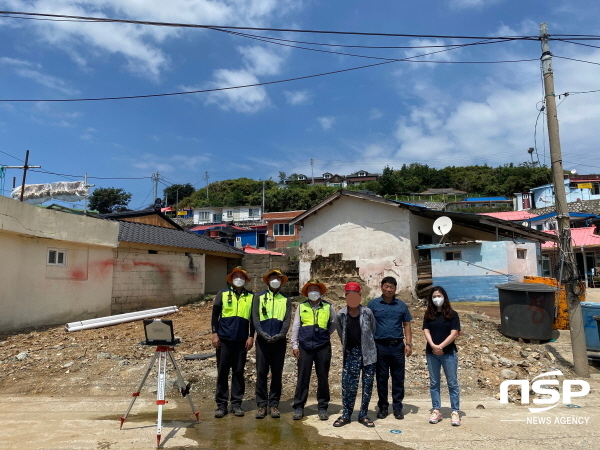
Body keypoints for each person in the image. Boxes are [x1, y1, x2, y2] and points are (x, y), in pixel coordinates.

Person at [211, 267, 255, 418]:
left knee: (238, 372)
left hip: (241, 341)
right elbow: (215, 315)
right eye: (236, 276)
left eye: (241, 276)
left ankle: (236, 403)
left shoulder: (251, 296)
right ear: (231, 278)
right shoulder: (222, 294)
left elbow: (253, 320)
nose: (238, 278)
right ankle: (221, 405)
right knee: (222, 372)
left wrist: (251, 336)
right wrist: (214, 333)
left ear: (245, 279)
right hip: (224, 340)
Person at [367, 276, 413, 420]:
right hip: (379, 346)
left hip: (397, 346)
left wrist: (409, 344)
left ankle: (398, 407)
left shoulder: (401, 305)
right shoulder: (373, 305)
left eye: (391, 287)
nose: (389, 289)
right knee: (381, 378)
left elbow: (407, 325)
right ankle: (383, 407)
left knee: (398, 377)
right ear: (381, 287)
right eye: (386, 286)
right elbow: (366, 325)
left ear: (395, 289)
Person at [291, 279, 336, 421]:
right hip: (304, 347)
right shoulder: (301, 306)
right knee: (302, 377)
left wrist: (324, 335)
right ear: (306, 292)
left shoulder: (328, 307)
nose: (313, 292)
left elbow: (334, 323)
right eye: (310, 290)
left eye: (316, 289)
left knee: (323, 377)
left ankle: (322, 407)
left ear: (320, 291)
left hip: (323, 347)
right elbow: (296, 326)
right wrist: (295, 345)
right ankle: (299, 406)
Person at [333, 282, 377, 428]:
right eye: (348, 295)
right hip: (350, 353)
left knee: (367, 385)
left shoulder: (367, 312)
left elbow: (373, 329)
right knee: (348, 385)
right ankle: (346, 414)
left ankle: (363, 414)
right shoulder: (341, 314)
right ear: (345, 296)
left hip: (368, 353)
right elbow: (341, 332)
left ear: (359, 296)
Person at [252, 268, 292, 419]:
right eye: (273, 278)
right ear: (268, 280)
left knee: (277, 374)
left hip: (279, 342)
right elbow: (255, 317)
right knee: (261, 373)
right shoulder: (259, 297)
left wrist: (281, 335)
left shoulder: (286, 299)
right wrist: (261, 334)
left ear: (281, 282)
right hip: (262, 341)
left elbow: (287, 319)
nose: (275, 280)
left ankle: (274, 404)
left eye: (278, 278)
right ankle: (262, 404)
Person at [422, 286, 461, 426]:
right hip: (432, 353)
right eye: (434, 297)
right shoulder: (428, 315)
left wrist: (441, 346)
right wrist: (433, 345)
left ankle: (455, 411)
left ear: (444, 297)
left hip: (448, 353)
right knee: (434, 383)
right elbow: (426, 331)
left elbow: (454, 333)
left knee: (452, 383)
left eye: (439, 296)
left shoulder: (452, 314)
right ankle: (436, 409)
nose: (437, 299)